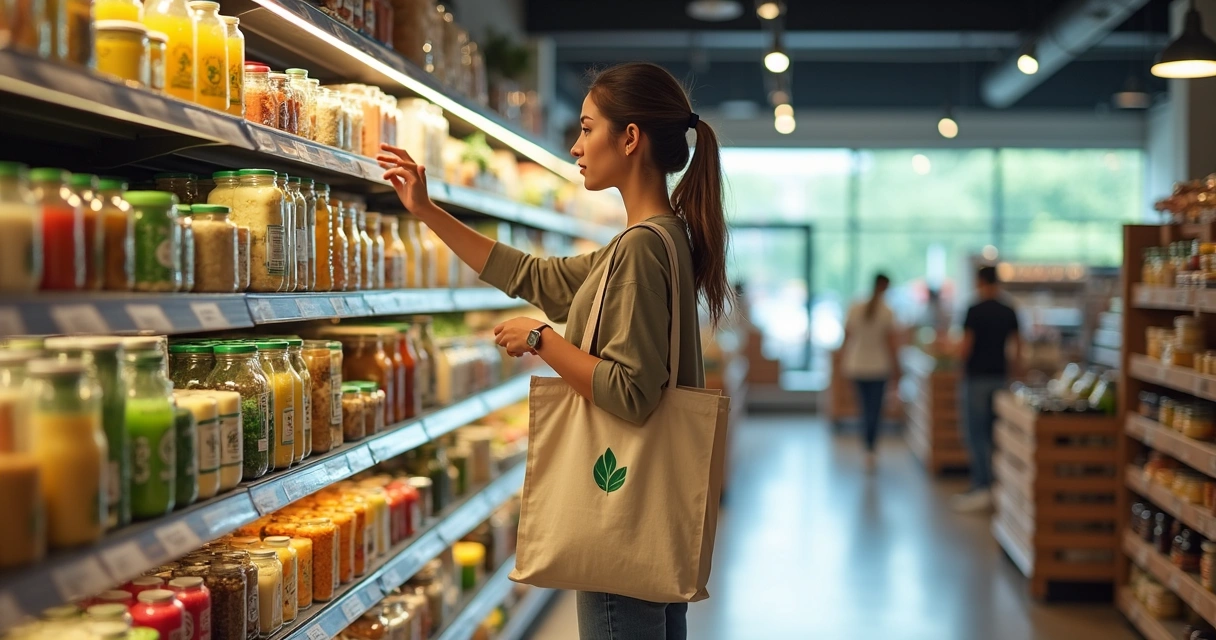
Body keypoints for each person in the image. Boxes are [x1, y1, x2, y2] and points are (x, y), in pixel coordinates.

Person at [377, 62, 730, 640]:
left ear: (631, 138)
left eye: (588, 128)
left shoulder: (641, 250)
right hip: (650, 515)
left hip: (622, 516)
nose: (576, 145)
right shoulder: (657, 238)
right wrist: (427, 210)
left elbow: (631, 393)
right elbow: (533, 275)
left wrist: (541, 340)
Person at [952, 265, 1022, 513]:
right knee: (996, 434)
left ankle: (982, 486)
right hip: (1000, 378)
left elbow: (966, 347)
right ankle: (996, 485)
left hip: (976, 378)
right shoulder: (1009, 309)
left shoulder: (974, 309)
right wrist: (1014, 375)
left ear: (980, 281)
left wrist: (959, 366)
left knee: (976, 434)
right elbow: (1017, 348)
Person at [839, 273, 900, 472]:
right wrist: (897, 368)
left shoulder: (855, 307)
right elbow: (891, 344)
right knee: (874, 409)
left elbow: (846, 337)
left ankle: (867, 447)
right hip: (878, 365)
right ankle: (870, 447)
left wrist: (841, 361)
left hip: (856, 364)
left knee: (864, 408)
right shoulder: (887, 311)